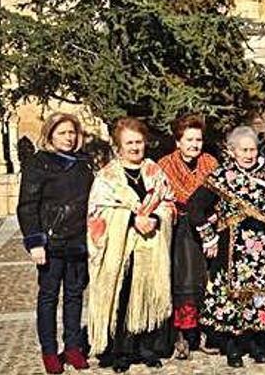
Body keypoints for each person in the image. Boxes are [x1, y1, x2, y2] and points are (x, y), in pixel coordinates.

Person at [186, 126, 265, 368]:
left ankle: (256, 343)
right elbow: (195, 206)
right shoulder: (221, 176)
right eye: (243, 150)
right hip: (231, 250)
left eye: (252, 149)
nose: (249, 154)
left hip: (262, 250)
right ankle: (232, 347)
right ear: (232, 152)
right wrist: (208, 236)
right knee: (232, 297)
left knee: (258, 296)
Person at [87, 117, 175, 373]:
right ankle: (121, 351)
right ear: (118, 147)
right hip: (121, 247)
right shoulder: (107, 178)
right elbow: (97, 213)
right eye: (129, 143)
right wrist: (130, 219)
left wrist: (156, 218)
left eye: (139, 142)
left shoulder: (155, 172)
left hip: (150, 244)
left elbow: (168, 203)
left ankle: (146, 347)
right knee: (122, 295)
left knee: (149, 292)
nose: (135, 147)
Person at [16, 113, 94, 374]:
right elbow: (28, 206)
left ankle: (72, 347)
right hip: (50, 242)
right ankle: (49, 351)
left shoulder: (85, 163)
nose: (68, 138)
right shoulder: (38, 164)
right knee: (48, 298)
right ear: (50, 135)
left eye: (72, 132)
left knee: (74, 296)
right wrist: (35, 241)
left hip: (78, 242)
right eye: (62, 133)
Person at [157, 114, 219, 359]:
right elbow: (159, 197)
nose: (195, 145)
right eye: (189, 139)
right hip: (179, 228)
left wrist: (214, 216)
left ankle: (204, 333)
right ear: (178, 141)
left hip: (208, 227)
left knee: (207, 280)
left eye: (198, 140)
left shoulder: (210, 163)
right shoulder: (165, 165)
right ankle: (181, 337)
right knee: (182, 282)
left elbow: (221, 194)